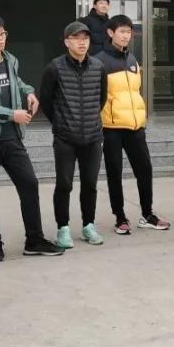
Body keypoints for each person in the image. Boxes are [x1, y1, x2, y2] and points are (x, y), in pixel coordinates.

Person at [0, 14, 61, 262]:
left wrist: (29, 93)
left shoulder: (10, 60)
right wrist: (12, 115)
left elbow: (17, 83)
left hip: (13, 138)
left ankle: (34, 239)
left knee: (29, 183)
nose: (0, 39)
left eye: (3, 33)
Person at [97, 14, 170, 235]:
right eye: (122, 31)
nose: (126, 36)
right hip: (111, 128)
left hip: (135, 126)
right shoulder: (99, 61)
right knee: (115, 173)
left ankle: (147, 214)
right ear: (110, 33)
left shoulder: (132, 59)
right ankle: (120, 218)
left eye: (129, 32)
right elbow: (96, 97)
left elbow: (135, 91)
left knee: (145, 169)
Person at [38, 21, 109, 248]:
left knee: (90, 184)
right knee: (64, 183)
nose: (82, 42)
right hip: (65, 138)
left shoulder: (98, 67)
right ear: (66, 42)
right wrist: (61, 123)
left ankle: (89, 226)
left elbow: (101, 99)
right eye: (76, 38)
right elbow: (46, 101)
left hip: (93, 137)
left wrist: (89, 120)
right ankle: (63, 228)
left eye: (85, 38)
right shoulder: (55, 68)